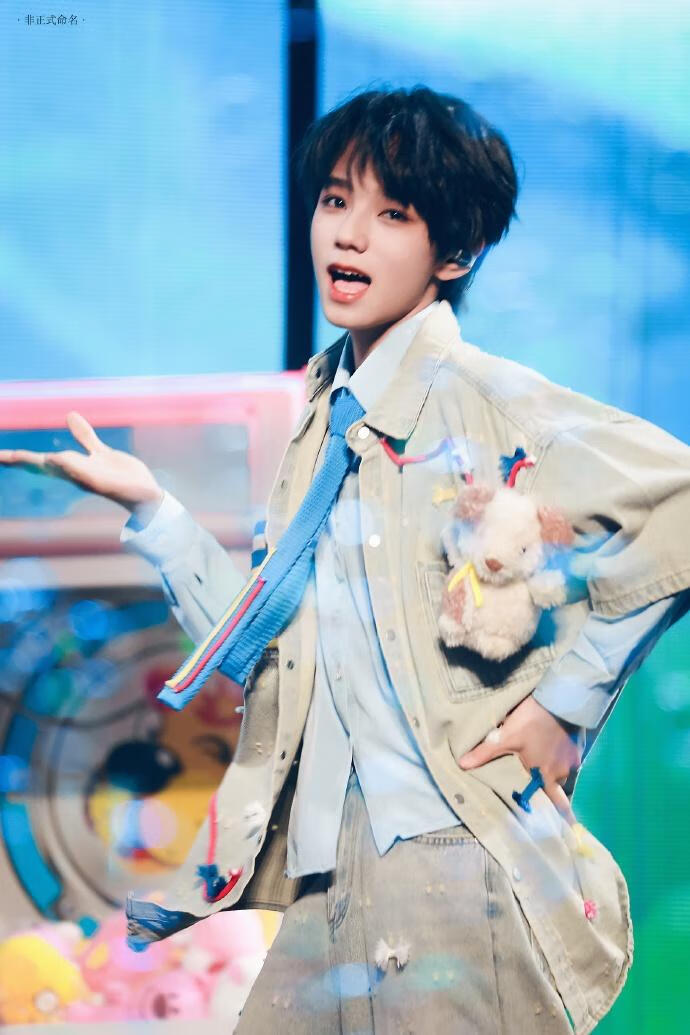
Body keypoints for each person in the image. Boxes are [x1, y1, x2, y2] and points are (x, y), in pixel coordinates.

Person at [2, 85, 689, 1033]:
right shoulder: (325, 422)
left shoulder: (484, 397)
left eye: (392, 213)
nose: (349, 234)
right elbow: (268, 648)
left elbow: (679, 502)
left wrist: (566, 706)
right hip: (326, 866)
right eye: (335, 200)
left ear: (456, 251)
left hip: (448, 858)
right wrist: (153, 511)